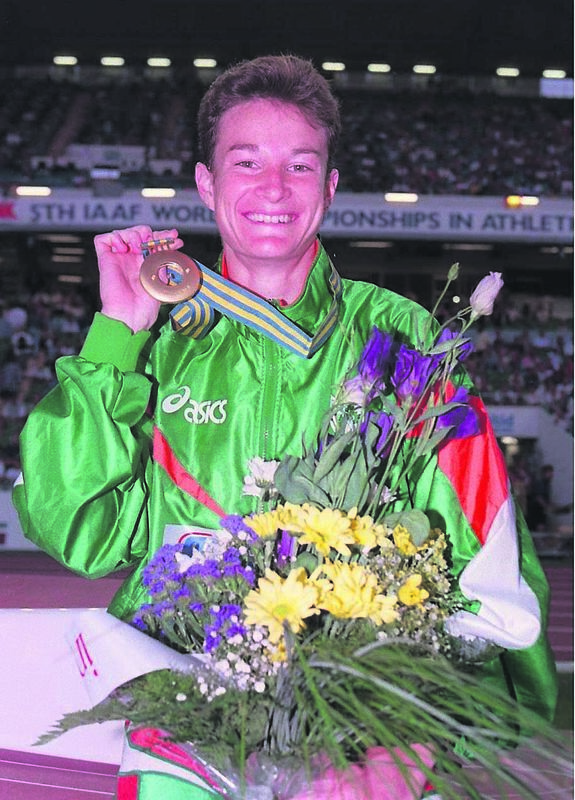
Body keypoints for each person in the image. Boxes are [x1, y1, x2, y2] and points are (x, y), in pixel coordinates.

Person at [13, 55, 556, 726]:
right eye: (246, 163)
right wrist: (115, 337)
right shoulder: (152, 339)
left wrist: (430, 735)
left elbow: (485, 555)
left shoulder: (406, 338)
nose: (273, 188)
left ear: (327, 188)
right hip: (170, 714)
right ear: (206, 184)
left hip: (354, 727)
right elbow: (79, 528)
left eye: (298, 166)